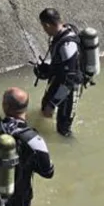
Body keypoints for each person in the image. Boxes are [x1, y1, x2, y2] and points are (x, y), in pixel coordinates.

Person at [32, 8, 83, 137]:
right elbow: (60, 65)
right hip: (58, 79)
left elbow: (70, 78)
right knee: (44, 110)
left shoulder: (67, 45)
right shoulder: (61, 33)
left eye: (43, 27)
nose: (44, 30)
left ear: (47, 25)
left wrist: (53, 103)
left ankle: (71, 150)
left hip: (71, 87)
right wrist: (46, 69)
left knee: (63, 130)